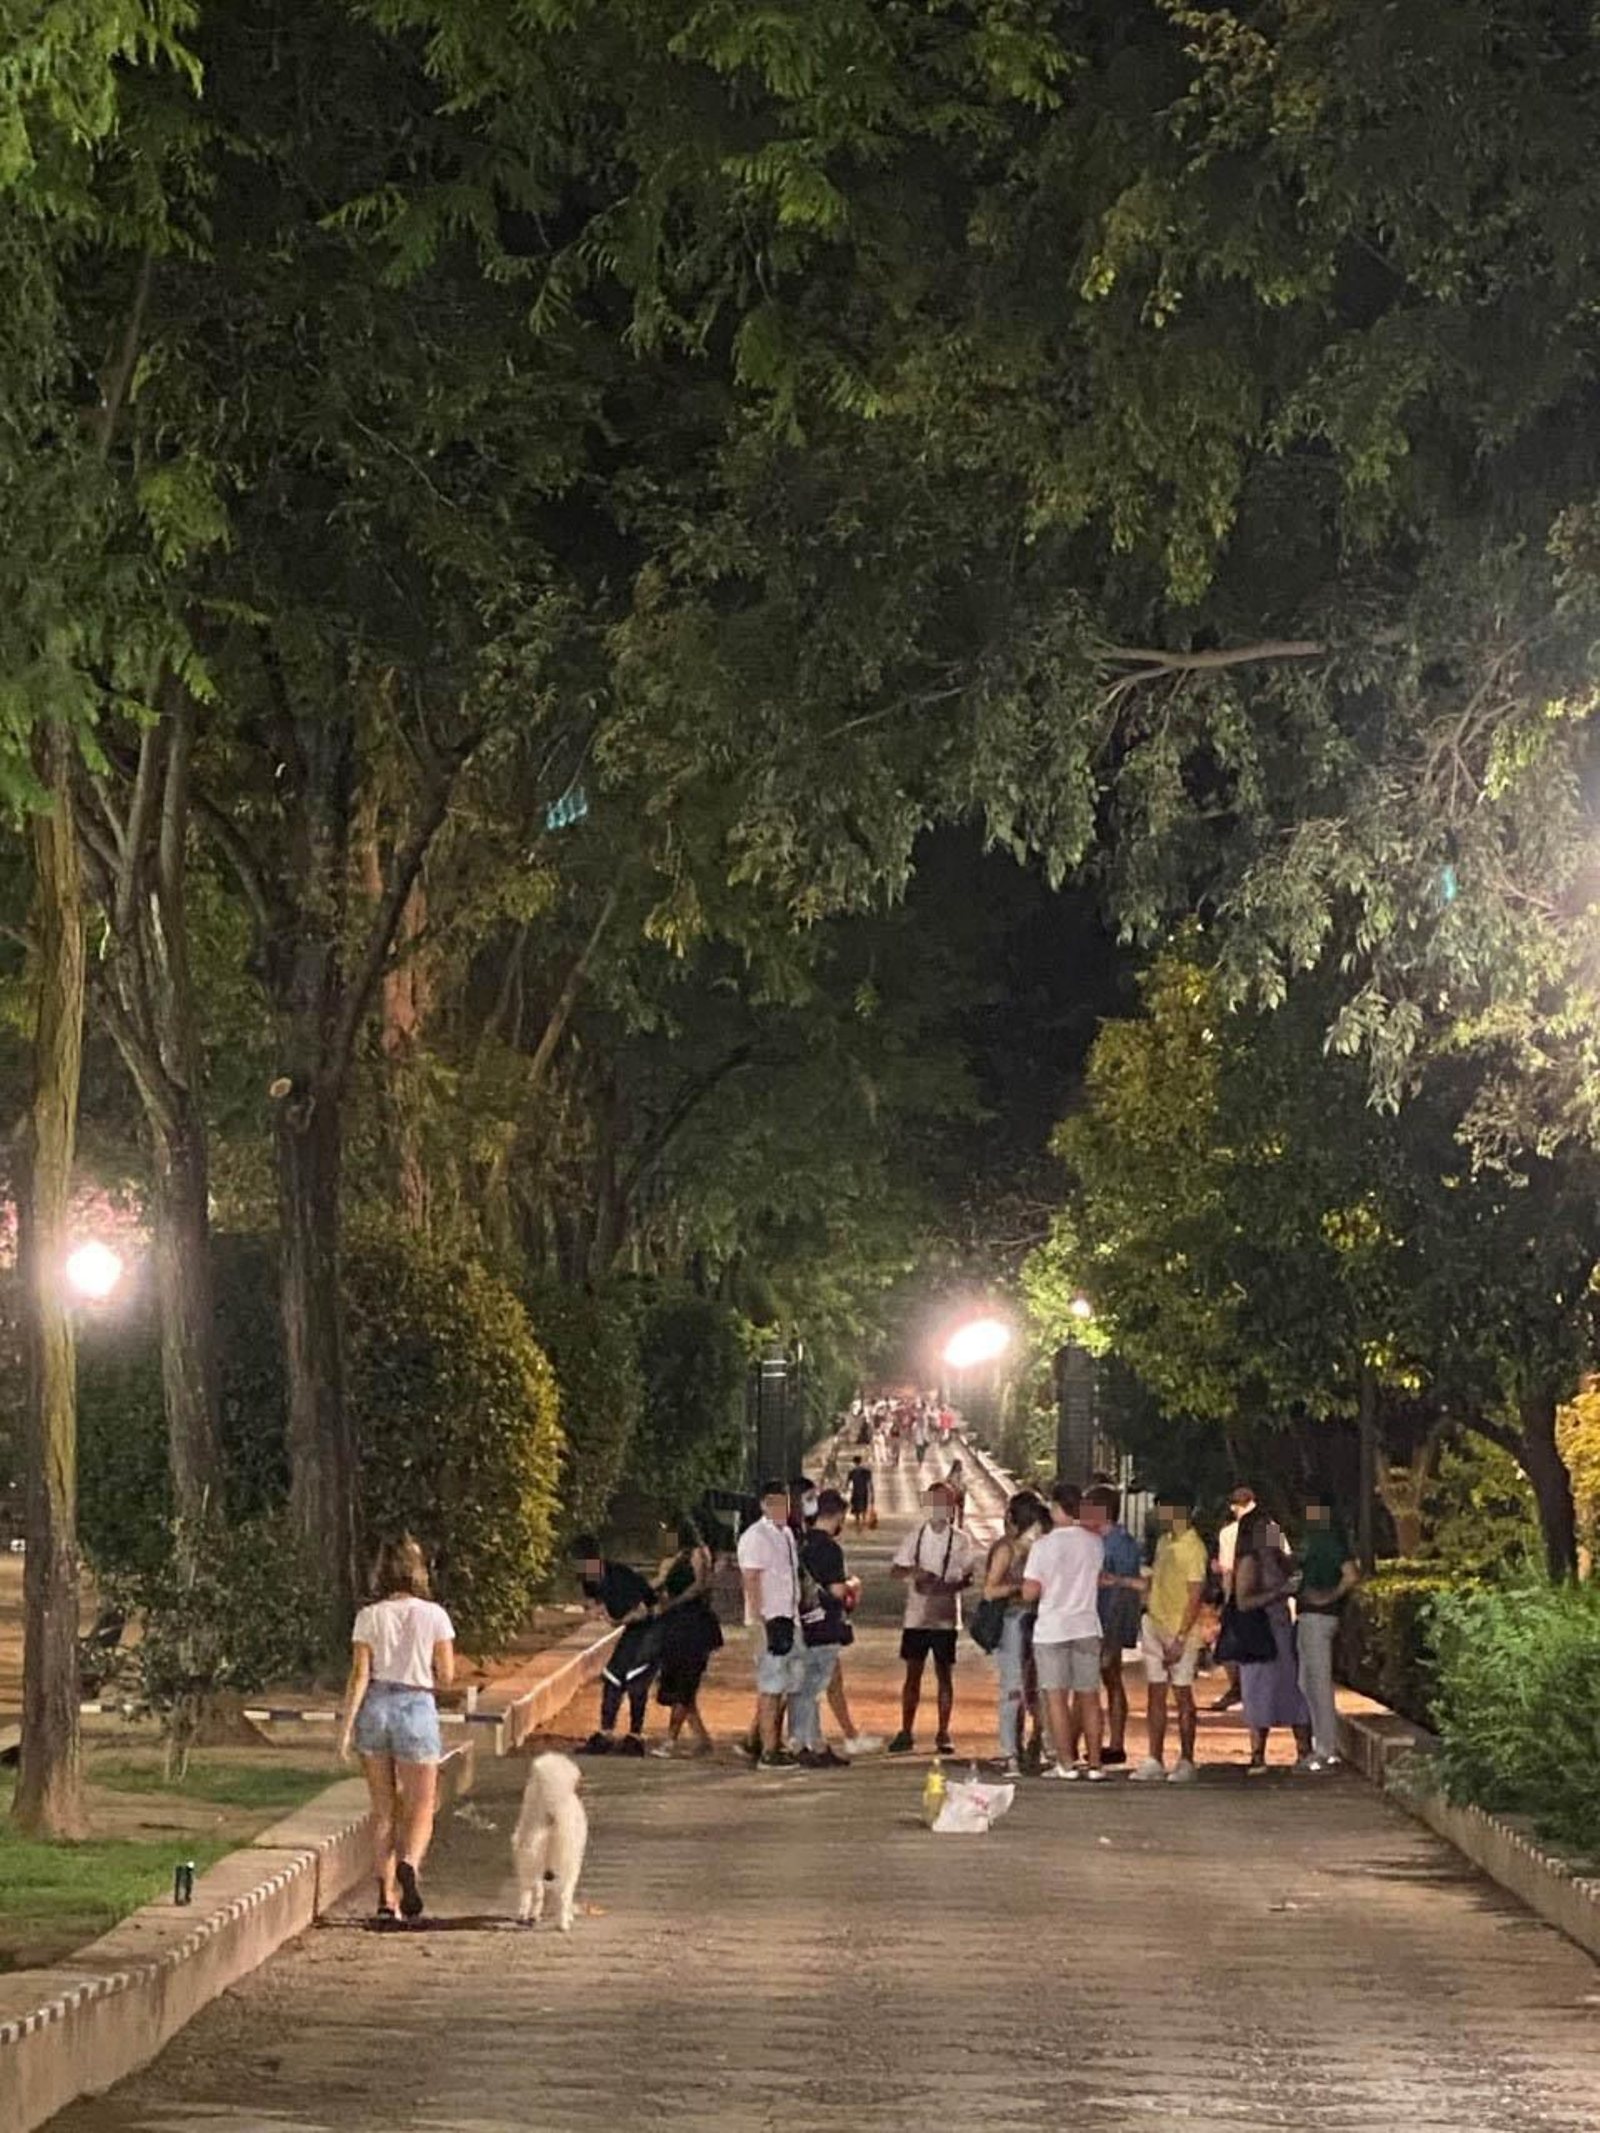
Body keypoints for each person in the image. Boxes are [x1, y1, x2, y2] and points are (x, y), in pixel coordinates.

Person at [338, 1535, 455, 1921]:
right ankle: (410, 1863)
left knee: (384, 1811)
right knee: (422, 1805)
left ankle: (386, 1899)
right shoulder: (435, 1615)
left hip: (375, 1709)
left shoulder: (368, 1616)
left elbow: (359, 1676)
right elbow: (447, 1675)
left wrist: (345, 1729)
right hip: (417, 1707)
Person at [1022, 1483, 1107, 1780]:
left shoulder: (1043, 1546)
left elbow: (1030, 1593)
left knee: (1056, 1699)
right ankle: (1095, 1764)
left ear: (1058, 1509)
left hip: (1052, 1629)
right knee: (1089, 1697)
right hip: (1086, 1625)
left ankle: (1066, 1763)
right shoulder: (1094, 1542)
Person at [888, 1481, 978, 1755]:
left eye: (945, 1502)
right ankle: (905, 1730)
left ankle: (943, 1731)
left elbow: (968, 1578)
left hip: (946, 1618)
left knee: (944, 1675)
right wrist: (916, 1574)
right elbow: (896, 1570)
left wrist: (943, 1587)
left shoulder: (961, 1540)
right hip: (916, 1617)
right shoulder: (915, 1536)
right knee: (912, 1674)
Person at [1130, 1487, 1209, 1783]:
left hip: (1180, 1629)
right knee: (1156, 1692)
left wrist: (1181, 1637)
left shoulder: (1193, 1549)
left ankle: (1187, 1759)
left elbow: (1195, 1596)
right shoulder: (1165, 1542)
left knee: (1182, 1692)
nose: (1158, 1515)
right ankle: (1155, 1756)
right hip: (1155, 1622)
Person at [1232, 1504, 1315, 1774]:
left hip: (1281, 1629)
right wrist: (1279, 1593)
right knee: (1259, 1692)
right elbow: (1244, 1601)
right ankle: (1258, 1753)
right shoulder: (1249, 1561)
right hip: (1260, 1631)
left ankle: (1303, 1749)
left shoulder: (1279, 1558)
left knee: (1292, 1689)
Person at [737, 1478, 804, 1771]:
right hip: (769, 1619)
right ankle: (768, 1750)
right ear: (764, 1504)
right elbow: (750, 1579)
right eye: (774, 1503)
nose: (781, 1508)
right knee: (771, 1685)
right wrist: (759, 1620)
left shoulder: (787, 1533)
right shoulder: (756, 1537)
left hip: (789, 1617)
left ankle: (759, 1738)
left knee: (790, 1682)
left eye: (785, 1502)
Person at [983, 1490, 1050, 1776]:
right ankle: (1010, 1751)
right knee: (1013, 1688)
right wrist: (1018, 1588)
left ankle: (1037, 1745)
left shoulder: (1042, 1549)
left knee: (1038, 1688)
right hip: (1012, 1622)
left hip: (1040, 1621)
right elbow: (989, 1590)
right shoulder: (1006, 1550)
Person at [574, 1535, 660, 1757]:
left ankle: (635, 1737)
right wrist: (600, 1611)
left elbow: (643, 1611)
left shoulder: (621, 1578)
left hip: (651, 1626)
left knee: (635, 1678)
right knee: (613, 1676)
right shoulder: (589, 1576)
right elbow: (594, 1600)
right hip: (632, 1628)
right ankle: (606, 1733)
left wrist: (617, 1621)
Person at [1295, 1490, 1359, 1768]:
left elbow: (1351, 1574)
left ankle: (1326, 1746)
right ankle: (1321, 1744)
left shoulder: (1330, 1539)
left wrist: (1328, 1596)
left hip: (1320, 1616)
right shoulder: (1314, 1539)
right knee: (1306, 1681)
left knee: (1318, 1682)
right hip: (1309, 1615)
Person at [792, 1488, 855, 1768]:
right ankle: (808, 1744)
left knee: (804, 1687)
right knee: (814, 1688)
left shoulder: (799, 1545)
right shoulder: (830, 1549)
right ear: (838, 1515)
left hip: (802, 1622)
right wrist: (853, 1586)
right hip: (826, 1625)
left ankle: (808, 1741)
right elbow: (838, 1592)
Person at [649, 1519, 723, 1759]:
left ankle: (670, 1740)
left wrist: (674, 1602)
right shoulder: (671, 1560)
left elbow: (699, 1585)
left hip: (693, 1624)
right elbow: (658, 1585)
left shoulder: (697, 1554)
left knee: (685, 1682)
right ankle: (702, 1739)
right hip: (675, 1625)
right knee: (680, 1684)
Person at [1082, 1483, 1143, 1766]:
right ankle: (1107, 1742)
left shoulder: (1121, 1543)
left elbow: (1123, 1591)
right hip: (1095, 1617)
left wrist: (1113, 1633)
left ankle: (1115, 1742)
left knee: (1110, 1679)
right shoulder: (1097, 1540)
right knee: (1105, 1680)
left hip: (1110, 1619)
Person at [1211, 1483, 1257, 1710]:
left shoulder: (1229, 1533)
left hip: (1238, 1597)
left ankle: (1239, 1689)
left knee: (1228, 1649)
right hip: (1267, 1598)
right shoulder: (1270, 1528)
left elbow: (1227, 1568)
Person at [846, 1453, 875, 1536]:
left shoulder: (852, 1472)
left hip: (855, 1491)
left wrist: (845, 1489)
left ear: (854, 1462)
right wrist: (872, 1492)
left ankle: (857, 1520)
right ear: (861, 1461)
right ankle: (863, 1518)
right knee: (863, 1504)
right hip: (864, 1490)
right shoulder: (866, 1471)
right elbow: (870, 1483)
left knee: (856, 1505)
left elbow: (847, 1483)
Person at [945, 1457, 969, 1528]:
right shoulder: (952, 1474)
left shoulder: (962, 1474)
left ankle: (960, 1524)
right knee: (953, 1509)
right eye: (959, 1465)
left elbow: (965, 1483)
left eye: (960, 1465)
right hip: (955, 1494)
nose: (960, 1466)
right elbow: (948, 1482)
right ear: (955, 1466)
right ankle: (951, 1523)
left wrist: (964, 1489)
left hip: (961, 1494)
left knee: (961, 1510)